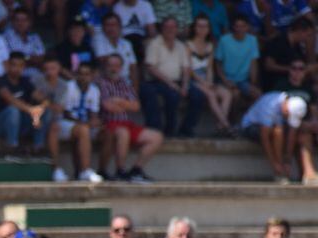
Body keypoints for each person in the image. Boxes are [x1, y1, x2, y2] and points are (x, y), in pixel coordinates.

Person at [241, 91, 318, 186]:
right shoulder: (269, 105)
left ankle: (309, 173)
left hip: (275, 131)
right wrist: (276, 164)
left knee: (303, 135)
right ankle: (279, 172)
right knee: (277, 131)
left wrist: (287, 161)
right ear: (287, 110)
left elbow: (292, 132)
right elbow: (265, 138)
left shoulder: (286, 107)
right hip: (251, 127)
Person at [98, 53, 164, 182]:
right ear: (105, 67)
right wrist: (126, 103)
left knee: (156, 136)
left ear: (121, 68)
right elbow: (107, 106)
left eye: (117, 66)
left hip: (125, 122)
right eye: (110, 65)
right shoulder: (100, 82)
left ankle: (136, 170)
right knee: (123, 132)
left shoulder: (125, 83)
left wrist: (119, 101)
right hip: (108, 123)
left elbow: (136, 106)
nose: (113, 68)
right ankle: (120, 170)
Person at [141, 17, 204, 138]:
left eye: (173, 27)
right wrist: (171, 83)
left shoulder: (181, 46)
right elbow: (151, 68)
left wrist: (185, 85)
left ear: (177, 29)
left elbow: (186, 68)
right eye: (167, 27)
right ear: (162, 29)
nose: (170, 30)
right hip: (157, 81)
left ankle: (186, 129)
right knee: (172, 95)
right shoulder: (154, 44)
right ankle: (169, 130)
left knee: (198, 95)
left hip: (178, 81)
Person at [46, 59, 104, 182]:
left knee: (106, 131)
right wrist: (85, 123)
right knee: (81, 129)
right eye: (81, 74)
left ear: (92, 76)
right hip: (65, 123)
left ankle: (89, 171)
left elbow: (93, 112)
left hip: (82, 125)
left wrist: (94, 121)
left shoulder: (94, 90)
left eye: (87, 74)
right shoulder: (68, 86)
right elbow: (65, 112)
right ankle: (58, 170)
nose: (83, 77)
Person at [0, 51, 50, 154]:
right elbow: (10, 100)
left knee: (44, 111)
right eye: (14, 65)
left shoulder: (25, 81)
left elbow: (40, 98)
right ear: (8, 65)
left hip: (21, 123)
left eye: (21, 66)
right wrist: (31, 110)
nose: (17, 69)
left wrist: (42, 106)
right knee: (13, 110)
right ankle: (12, 146)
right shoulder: (0, 81)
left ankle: (38, 146)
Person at [186, 16, 233, 135]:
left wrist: (210, 82)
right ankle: (227, 125)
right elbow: (189, 69)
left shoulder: (210, 45)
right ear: (194, 28)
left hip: (206, 78)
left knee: (227, 94)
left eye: (205, 26)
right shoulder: (188, 44)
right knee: (211, 94)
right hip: (192, 79)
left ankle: (220, 126)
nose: (202, 29)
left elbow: (209, 68)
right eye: (199, 26)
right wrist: (204, 83)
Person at [215, 14, 261, 104]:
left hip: (244, 80)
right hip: (227, 79)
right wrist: (225, 80)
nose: (240, 29)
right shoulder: (224, 40)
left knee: (257, 94)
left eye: (243, 26)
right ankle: (233, 118)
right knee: (235, 95)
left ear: (248, 27)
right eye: (237, 26)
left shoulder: (252, 40)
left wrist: (253, 82)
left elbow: (253, 63)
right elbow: (218, 64)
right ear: (233, 27)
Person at [93, 12, 139, 87]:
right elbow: (103, 62)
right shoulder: (98, 40)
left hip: (126, 83)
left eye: (114, 25)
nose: (111, 28)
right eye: (108, 25)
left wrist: (135, 92)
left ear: (120, 27)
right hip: (107, 82)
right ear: (103, 27)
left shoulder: (127, 44)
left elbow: (133, 68)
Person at [4, 6, 45, 78]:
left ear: (29, 22)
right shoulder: (6, 37)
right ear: (12, 22)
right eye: (17, 20)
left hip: (35, 73)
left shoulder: (35, 37)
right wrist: (30, 59)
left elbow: (41, 58)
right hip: (15, 74)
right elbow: (11, 59)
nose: (20, 23)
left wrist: (25, 59)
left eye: (24, 20)